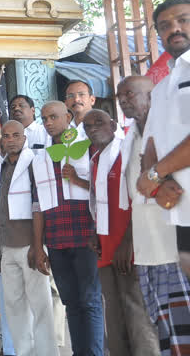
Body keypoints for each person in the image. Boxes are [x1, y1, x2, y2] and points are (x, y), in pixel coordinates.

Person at [118, 74, 190, 355]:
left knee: (183, 332)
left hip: (174, 251)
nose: (124, 101)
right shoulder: (130, 139)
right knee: (164, 332)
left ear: (153, 98)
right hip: (147, 253)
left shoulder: (170, 137)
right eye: (120, 97)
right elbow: (136, 196)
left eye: (131, 94)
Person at [84, 108, 160, 355]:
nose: (93, 128)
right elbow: (99, 202)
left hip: (129, 247)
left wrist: (128, 241)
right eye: (88, 126)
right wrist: (96, 232)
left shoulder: (125, 152)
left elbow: (139, 199)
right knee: (114, 316)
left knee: (136, 313)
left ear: (113, 124)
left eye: (99, 122)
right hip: (106, 246)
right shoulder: (96, 158)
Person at [32, 101, 103, 356]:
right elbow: (37, 204)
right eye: (44, 118)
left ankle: (94, 352)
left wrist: (77, 180)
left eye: (53, 117)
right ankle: (79, 352)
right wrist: (38, 245)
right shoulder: (40, 158)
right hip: (56, 238)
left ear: (68, 116)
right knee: (71, 302)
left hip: (85, 235)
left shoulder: (87, 147)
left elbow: (103, 188)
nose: (48, 122)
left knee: (90, 301)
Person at [0, 120, 58, 356]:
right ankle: (23, 352)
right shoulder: (1, 166)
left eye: (16, 135)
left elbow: (39, 207)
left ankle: (47, 352)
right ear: (2, 141)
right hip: (6, 246)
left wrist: (38, 247)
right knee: (14, 306)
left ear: (24, 138)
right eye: (6, 136)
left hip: (30, 246)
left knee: (41, 305)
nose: (11, 140)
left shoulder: (34, 162)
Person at [138, 0, 190, 278]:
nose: (175, 29)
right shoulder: (161, 88)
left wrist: (156, 174)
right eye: (165, 25)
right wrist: (157, 186)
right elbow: (151, 144)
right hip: (182, 213)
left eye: (183, 20)